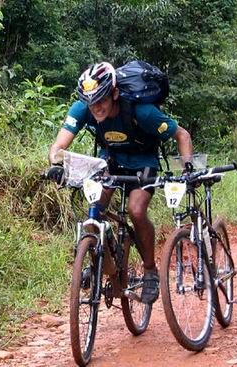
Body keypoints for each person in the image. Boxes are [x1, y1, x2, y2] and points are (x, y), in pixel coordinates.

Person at [47, 62, 193, 304]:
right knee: (94, 209)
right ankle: (102, 260)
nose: (96, 107)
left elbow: (182, 135)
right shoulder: (83, 109)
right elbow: (59, 146)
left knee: (136, 211)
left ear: (114, 93)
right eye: (90, 102)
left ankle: (149, 271)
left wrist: (187, 169)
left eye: (102, 100)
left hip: (143, 163)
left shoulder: (142, 112)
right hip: (111, 161)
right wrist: (55, 164)